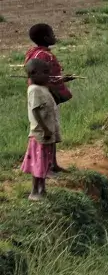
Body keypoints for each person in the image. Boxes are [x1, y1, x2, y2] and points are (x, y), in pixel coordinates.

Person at [25, 24, 73, 176]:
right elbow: (45, 78)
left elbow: (45, 77)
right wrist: (60, 80)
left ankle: (53, 164)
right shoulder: (43, 56)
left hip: (47, 97)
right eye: (52, 33)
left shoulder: (36, 53)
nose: (55, 36)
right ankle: (47, 167)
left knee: (51, 131)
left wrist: (61, 79)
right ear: (46, 38)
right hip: (45, 98)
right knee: (46, 133)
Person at [21, 59, 60, 201]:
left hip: (46, 133)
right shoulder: (34, 90)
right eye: (45, 73)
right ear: (33, 74)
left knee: (44, 162)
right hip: (40, 134)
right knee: (38, 163)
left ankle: (42, 189)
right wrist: (45, 129)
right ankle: (34, 191)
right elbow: (35, 111)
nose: (48, 75)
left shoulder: (42, 88)